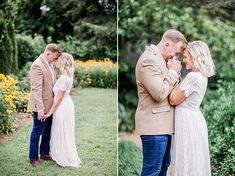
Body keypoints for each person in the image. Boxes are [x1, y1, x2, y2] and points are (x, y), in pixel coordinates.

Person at [135, 29, 187, 176]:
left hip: (163, 126)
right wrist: (173, 72)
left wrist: (174, 73)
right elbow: (159, 93)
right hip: (154, 127)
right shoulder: (149, 60)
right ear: (167, 44)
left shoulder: (161, 60)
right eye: (176, 53)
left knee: (162, 168)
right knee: (152, 171)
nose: (176, 58)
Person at [170, 41, 215, 176]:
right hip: (193, 120)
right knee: (192, 159)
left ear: (195, 57)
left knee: (186, 159)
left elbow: (173, 99)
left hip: (187, 122)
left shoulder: (193, 77)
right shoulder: (202, 75)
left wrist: (174, 73)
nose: (184, 61)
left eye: (186, 57)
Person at [44, 53, 81, 167]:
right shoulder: (65, 76)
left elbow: (59, 99)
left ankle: (63, 155)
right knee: (62, 129)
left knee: (62, 129)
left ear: (64, 62)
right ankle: (60, 152)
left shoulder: (65, 78)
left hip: (62, 106)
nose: (57, 62)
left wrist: (49, 113)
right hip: (65, 104)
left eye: (59, 60)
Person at [28, 43, 61, 167]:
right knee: (37, 131)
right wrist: (40, 109)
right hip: (40, 105)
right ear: (48, 53)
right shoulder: (37, 65)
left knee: (48, 130)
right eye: (53, 57)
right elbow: (36, 90)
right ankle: (33, 158)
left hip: (50, 105)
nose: (54, 60)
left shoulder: (49, 64)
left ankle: (44, 153)